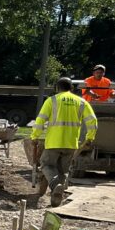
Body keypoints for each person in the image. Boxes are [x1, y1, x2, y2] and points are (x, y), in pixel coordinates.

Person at [31, 77, 98, 207]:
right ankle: (56, 198)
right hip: (71, 143)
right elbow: (92, 120)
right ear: (71, 88)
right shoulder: (81, 102)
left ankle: (56, 185)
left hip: (54, 142)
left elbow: (40, 121)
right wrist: (90, 137)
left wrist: (34, 136)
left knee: (46, 164)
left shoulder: (52, 100)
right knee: (63, 170)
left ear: (57, 88)